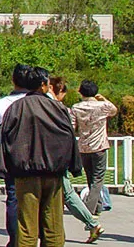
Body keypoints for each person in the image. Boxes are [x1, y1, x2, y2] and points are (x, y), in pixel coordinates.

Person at [0, 67, 82, 247]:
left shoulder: (16, 108)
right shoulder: (57, 108)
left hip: (25, 174)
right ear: (43, 85)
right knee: (53, 226)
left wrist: (7, 168)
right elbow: (68, 137)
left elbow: (6, 139)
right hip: (53, 173)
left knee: (27, 228)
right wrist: (72, 165)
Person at [49, 77, 103, 243]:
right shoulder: (60, 108)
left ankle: (91, 222)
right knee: (80, 188)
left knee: (67, 194)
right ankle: (92, 220)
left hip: (55, 157)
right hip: (92, 148)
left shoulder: (64, 108)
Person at [0, 63, 32, 247]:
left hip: (12, 156)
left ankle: (15, 240)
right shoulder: (41, 102)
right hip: (38, 157)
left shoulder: (2, 104)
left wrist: (1, 139)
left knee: (13, 198)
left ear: (13, 80)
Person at [71, 80, 118, 220]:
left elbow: (72, 125)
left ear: (81, 92)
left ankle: (97, 206)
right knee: (98, 178)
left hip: (84, 146)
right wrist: (103, 98)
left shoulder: (76, 107)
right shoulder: (102, 106)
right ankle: (89, 210)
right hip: (99, 146)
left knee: (91, 177)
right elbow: (114, 110)